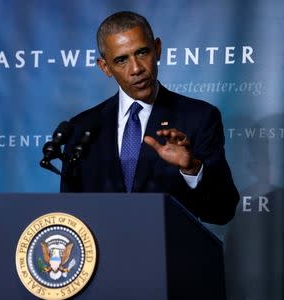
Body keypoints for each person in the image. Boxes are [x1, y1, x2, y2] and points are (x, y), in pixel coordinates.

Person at [60, 11, 239, 225]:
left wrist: (192, 168)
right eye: (121, 60)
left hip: (171, 255)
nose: (136, 69)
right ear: (105, 67)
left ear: (158, 49)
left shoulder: (199, 117)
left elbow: (222, 211)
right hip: (103, 255)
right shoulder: (82, 128)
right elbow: (68, 217)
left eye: (142, 52)